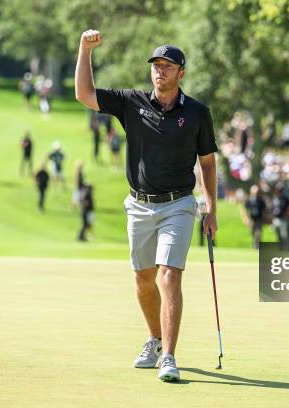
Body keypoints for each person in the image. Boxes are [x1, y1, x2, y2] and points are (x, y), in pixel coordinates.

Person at [75, 30, 218, 382]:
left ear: (181, 73)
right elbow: (84, 94)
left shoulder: (198, 113)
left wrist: (210, 206)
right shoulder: (131, 102)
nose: (160, 71)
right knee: (143, 278)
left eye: (167, 66)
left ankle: (168, 356)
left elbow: (209, 162)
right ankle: (154, 340)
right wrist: (84, 50)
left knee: (170, 275)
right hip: (139, 205)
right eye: (156, 65)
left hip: (179, 205)